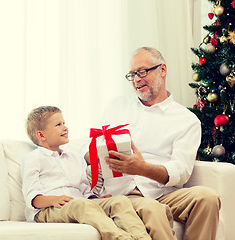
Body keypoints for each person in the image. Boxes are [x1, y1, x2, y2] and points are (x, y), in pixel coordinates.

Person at [84, 47, 221, 240]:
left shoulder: (186, 120)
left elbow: (181, 170)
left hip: (163, 192)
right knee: (153, 209)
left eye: (141, 72)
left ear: (162, 70)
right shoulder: (116, 107)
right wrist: (95, 154)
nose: (136, 80)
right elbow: (87, 148)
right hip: (123, 195)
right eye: (131, 75)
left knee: (207, 198)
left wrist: (142, 168)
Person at [21, 106, 152, 240]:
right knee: (80, 204)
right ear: (41, 135)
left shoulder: (74, 158)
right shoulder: (33, 158)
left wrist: (95, 199)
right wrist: (54, 199)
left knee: (119, 201)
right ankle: (121, 238)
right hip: (48, 210)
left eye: (64, 123)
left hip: (79, 203)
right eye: (58, 125)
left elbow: (84, 189)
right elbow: (32, 196)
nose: (65, 128)